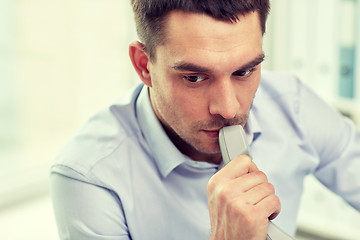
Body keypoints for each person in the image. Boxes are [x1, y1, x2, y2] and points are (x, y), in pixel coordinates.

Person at [50, 0, 360, 239]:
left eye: (244, 71)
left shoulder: (292, 105)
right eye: (195, 77)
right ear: (144, 66)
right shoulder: (89, 175)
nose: (228, 109)